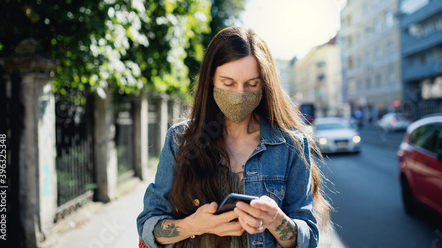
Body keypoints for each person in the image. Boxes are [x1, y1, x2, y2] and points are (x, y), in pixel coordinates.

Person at [137, 27, 330, 248]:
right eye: (228, 83)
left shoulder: (290, 145)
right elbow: (148, 225)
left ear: (265, 84)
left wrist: (276, 221)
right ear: (211, 80)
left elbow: (309, 238)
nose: (239, 94)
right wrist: (195, 225)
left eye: (252, 84)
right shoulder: (180, 140)